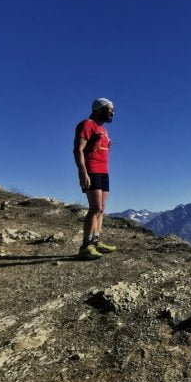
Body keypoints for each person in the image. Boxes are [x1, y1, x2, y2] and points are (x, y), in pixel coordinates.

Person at [73, 98, 117, 260]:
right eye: (110, 109)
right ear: (99, 109)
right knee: (95, 207)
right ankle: (86, 246)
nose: (112, 112)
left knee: (102, 208)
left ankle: (95, 240)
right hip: (92, 170)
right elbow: (78, 150)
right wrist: (82, 172)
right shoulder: (86, 124)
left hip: (104, 172)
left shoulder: (103, 130)